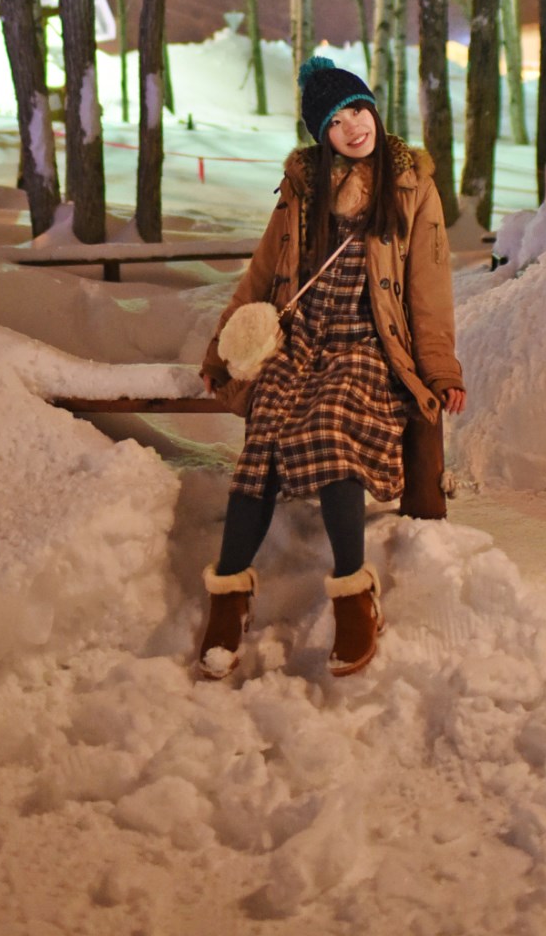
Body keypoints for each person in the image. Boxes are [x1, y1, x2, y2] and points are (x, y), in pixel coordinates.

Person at [197, 55, 465, 681]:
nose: (353, 127)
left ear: (375, 110)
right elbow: (263, 273)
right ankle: (227, 599)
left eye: (359, 110)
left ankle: (353, 593)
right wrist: (222, 350)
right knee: (263, 432)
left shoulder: (410, 184)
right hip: (303, 337)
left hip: (369, 341)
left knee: (333, 422)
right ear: (322, 134)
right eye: (337, 120)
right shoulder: (303, 186)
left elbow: (429, 286)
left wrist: (441, 368)